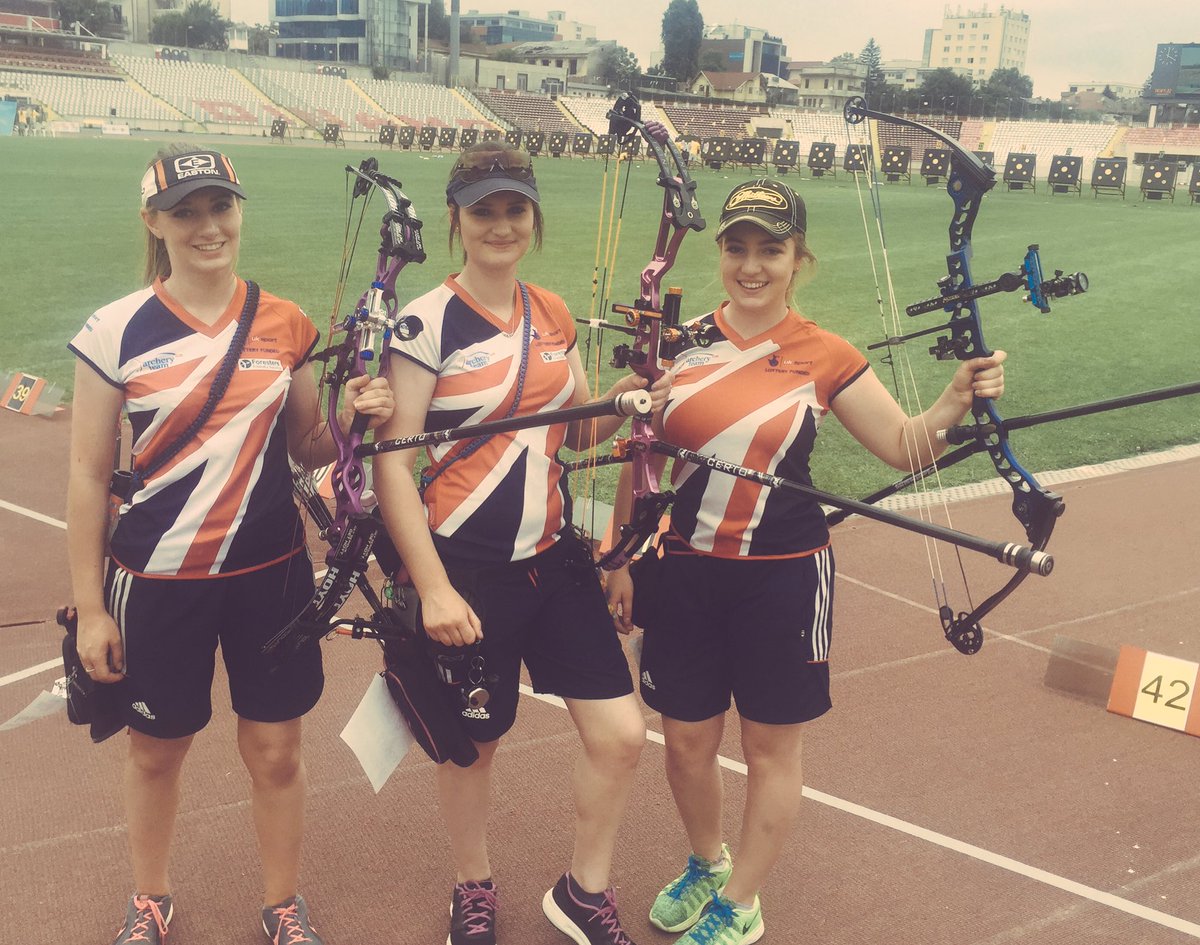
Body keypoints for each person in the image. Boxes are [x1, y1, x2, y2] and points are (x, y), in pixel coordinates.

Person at [605, 178, 1007, 945]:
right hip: (684, 570)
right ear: (720, 252)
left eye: (771, 250)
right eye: (737, 247)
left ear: (798, 259)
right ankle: (708, 863)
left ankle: (741, 901)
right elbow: (641, 454)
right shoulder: (679, 343)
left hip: (783, 577)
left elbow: (905, 445)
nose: (751, 266)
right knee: (685, 742)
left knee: (767, 747)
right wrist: (619, 554)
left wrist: (957, 396)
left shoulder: (828, 354)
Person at [66, 146, 394, 945]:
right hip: (157, 578)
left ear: (240, 211)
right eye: (185, 212)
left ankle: (283, 903)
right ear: (154, 223)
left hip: (270, 576)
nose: (207, 226)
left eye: (221, 206)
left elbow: (309, 445)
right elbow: (87, 474)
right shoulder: (113, 330)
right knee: (156, 751)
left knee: (276, 750)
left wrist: (353, 418)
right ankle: (150, 897)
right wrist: (89, 608)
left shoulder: (285, 323)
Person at [373, 141, 665, 945]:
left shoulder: (553, 311)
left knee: (621, 735)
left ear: (533, 217)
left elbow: (578, 430)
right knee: (473, 745)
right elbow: (394, 465)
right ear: (456, 220)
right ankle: (473, 884)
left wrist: (628, 397)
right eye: (483, 211)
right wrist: (434, 588)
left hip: (553, 560)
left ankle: (583, 892)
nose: (500, 225)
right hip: (465, 571)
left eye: (514, 210)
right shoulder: (425, 323)